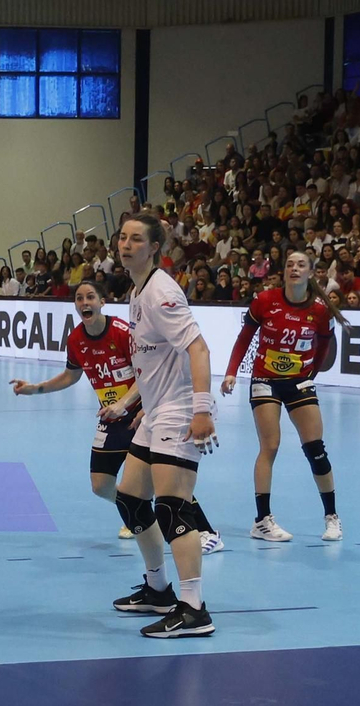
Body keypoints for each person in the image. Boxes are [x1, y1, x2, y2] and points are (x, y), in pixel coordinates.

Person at [11, 280, 223, 552]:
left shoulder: (123, 333)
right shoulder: (76, 339)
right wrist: (35, 389)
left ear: (102, 302)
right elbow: (70, 376)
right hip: (111, 417)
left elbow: (146, 374)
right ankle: (139, 513)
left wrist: (127, 404)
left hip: (141, 413)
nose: (84, 303)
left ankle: (205, 531)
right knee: (100, 485)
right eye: (79, 298)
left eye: (90, 297)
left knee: (164, 479)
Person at [108, 213, 219, 638]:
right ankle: (158, 589)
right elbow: (153, 362)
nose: (126, 244)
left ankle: (194, 610)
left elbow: (199, 348)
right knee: (130, 499)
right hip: (156, 411)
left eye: (136, 239)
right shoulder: (137, 291)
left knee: (173, 508)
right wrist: (131, 401)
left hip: (179, 411)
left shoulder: (161, 293)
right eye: (122, 237)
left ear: (155, 248)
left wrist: (202, 410)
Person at [222, 250, 343, 542]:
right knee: (270, 446)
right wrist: (231, 371)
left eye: (301, 265)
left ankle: (332, 517)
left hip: (299, 381)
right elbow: (244, 338)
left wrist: (311, 372)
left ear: (311, 272)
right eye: (290, 264)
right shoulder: (265, 301)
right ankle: (262, 520)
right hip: (265, 379)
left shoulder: (320, 311)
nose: (294, 268)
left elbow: (324, 345)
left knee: (315, 449)